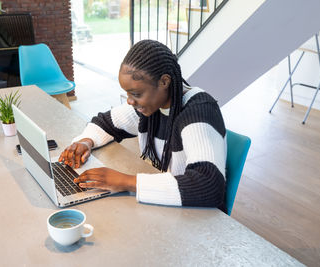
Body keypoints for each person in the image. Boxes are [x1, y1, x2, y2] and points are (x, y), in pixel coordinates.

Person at [59, 39, 227, 211]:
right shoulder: (152, 105)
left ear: (164, 81)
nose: (130, 101)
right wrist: (86, 141)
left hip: (198, 214)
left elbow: (209, 185)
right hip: (170, 205)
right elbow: (105, 122)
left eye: (136, 94)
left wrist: (125, 181)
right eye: (128, 94)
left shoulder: (198, 111)